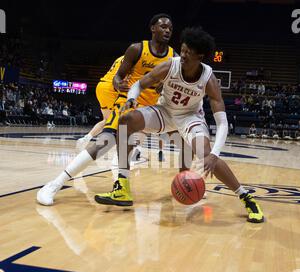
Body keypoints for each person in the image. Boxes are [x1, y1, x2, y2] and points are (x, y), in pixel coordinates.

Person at [94, 27, 264, 224]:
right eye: (182, 50)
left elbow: (223, 123)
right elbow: (139, 84)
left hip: (190, 117)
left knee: (205, 153)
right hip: (164, 112)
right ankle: (122, 187)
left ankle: (246, 198)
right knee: (126, 121)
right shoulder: (170, 66)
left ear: (200, 56)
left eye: (188, 53)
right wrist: (132, 99)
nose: (182, 55)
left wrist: (214, 155)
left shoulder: (208, 79)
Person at [37, 13, 176, 206]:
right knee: (105, 142)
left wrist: (164, 88)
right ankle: (54, 184)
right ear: (152, 28)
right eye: (162, 26)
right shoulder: (137, 49)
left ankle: (187, 183)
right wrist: (119, 85)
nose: (167, 30)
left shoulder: (173, 57)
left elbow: (171, 84)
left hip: (150, 112)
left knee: (141, 146)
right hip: (128, 105)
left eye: (169, 27)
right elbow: (117, 77)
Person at [76, 55, 124, 149]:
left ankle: (86, 138)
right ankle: (116, 151)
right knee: (119, 120)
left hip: (101, 85)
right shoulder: (133, 59)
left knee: (107, 120)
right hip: (111, 88)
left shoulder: (120, 58)